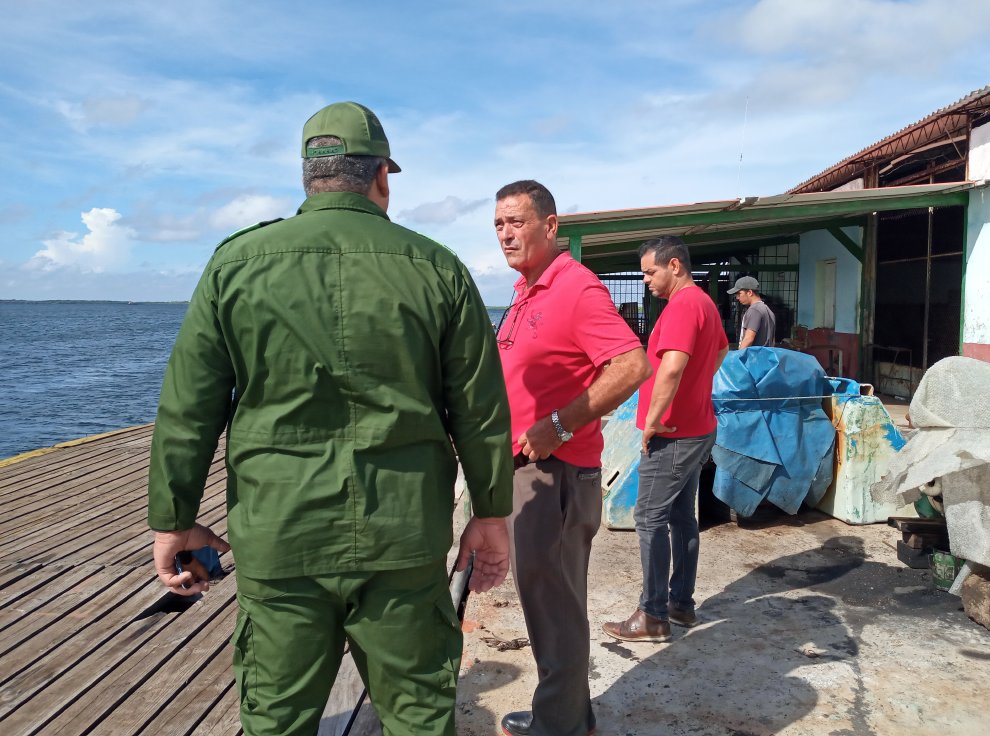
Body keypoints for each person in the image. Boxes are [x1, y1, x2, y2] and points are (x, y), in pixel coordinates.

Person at [147, 101, 514, 736]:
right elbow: (480, 411)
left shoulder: (235, 264)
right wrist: (490, 514)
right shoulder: (438, 268)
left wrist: (173, 519)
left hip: (280, 534)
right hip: (403, 536)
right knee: (420, 720)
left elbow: (189, 406)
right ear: (381, 177)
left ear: (309, 178)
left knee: (278, 719)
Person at [493, 180, 651, 736]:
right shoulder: (524, 289)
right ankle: (567, 716)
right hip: (531, 469)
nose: (506, 234)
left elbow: (632, 365)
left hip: (558, 473)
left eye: (517, 221)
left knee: (555, 606)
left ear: (551, 226)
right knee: (550, 601)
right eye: (499, 225)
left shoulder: (576, 288)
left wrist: (558, 425)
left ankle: (556, 727)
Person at [602, 235, 727, 643]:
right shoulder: (705, 304)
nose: (645, 281)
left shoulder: (682, 305)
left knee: (649, 518)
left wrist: (654, 420)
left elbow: (671, 369)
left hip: (673, 434)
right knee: (680, 517)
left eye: (649, 272)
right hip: (697, 428)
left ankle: (653, 615)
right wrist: (696, 388)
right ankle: (680, 604)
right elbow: (721, 351)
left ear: (674, 266)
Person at [728, 275, 776, 348]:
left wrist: (738, 356)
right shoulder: (768, 310)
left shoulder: (754, 310)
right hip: (765, 356)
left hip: (754, 357)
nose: (737, 297)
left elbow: (748, 339)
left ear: (750, 292)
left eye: (739, 293)